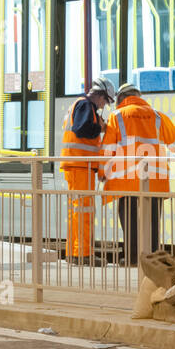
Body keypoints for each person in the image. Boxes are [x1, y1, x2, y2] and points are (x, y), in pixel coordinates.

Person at [100, 82, 175, 265]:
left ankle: (131, 258)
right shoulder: (157, 116)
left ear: (122, 99)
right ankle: (151, 260)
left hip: (127, 180)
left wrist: (102, 172)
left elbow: (108, 149)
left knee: (130, 221)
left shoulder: (117, 116)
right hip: (155, 179)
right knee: (152, 221)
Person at [60, 77, 115, 261]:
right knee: (84, 211)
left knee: (76, 211)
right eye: (105, 101)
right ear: (99, 95)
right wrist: (99, 127)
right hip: (80, 165)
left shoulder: (79, 105)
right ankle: (83, 254)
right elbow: (81, 129)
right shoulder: (85, 106)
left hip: (77, 165)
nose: (103, 105)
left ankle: (74, 253)